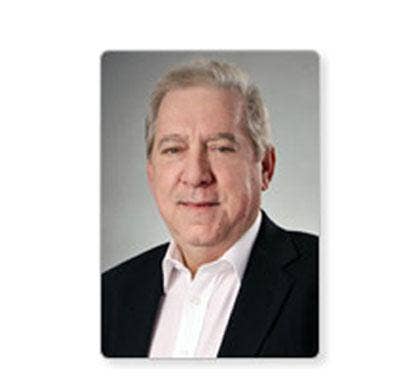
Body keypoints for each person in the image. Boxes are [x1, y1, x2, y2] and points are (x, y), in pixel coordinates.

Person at [102, 59, 318, 358]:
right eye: (174, 149)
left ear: (265, 168)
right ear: (152, 174)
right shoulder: (108, 295)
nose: (196, 175)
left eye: (221, 148)